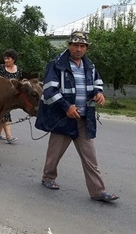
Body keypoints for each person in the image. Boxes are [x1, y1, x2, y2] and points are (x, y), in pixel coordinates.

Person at [35, 31, 119, 203]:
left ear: (86, 48)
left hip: (83, 118)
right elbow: (49, 90)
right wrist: (66, 107)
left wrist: (99, 93)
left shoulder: (90, 66)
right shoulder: (57, 64)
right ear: (69, 46)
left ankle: (98, 191)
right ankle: (48, 177)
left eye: (82, 46)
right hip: (63, 118)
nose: (79, 49)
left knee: (90, 157)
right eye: (75, 45)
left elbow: (97, 83)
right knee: (54, 154)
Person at [0, 49, 22, 144]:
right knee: (5, 114)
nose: (6, 61)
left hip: (11, 96)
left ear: (13, 59)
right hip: (0, 95)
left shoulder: (18, 70)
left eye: (8, 59)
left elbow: (18, 83)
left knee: (4, 113)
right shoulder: (0, 68)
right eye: (5, 58)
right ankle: (9, 136)